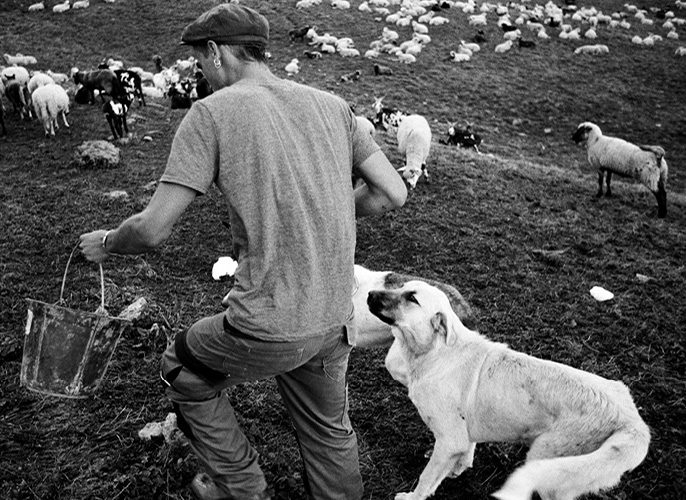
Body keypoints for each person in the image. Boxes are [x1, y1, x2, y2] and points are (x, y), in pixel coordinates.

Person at [79, 4, 407, 500]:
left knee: (180, 366)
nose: (199, 72)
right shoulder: (333, 105)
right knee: (327, 428)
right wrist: (321, 214)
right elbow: (391, 193)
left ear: (214, 52)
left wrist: (106, 243)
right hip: (336, 317)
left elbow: (151, 230)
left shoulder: (211, 113)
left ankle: (244, 487)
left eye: (198, 61)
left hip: (267, 321)